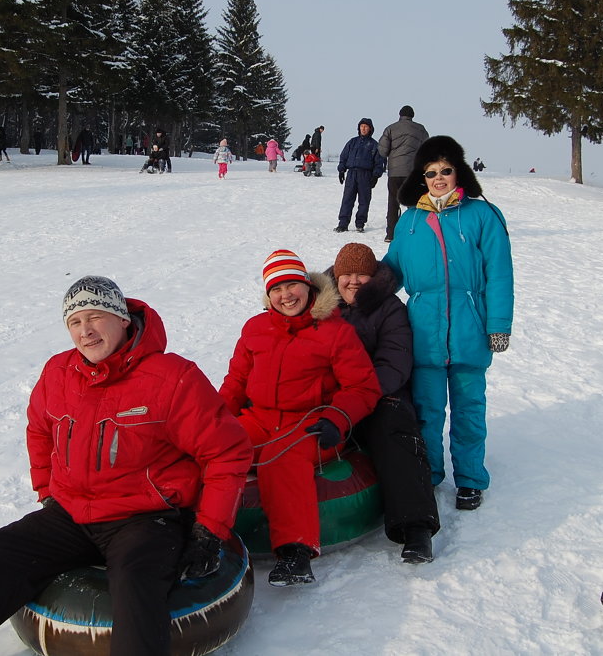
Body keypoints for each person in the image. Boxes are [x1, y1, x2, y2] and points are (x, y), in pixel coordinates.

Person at [0, 277, 252, 656]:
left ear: (122, 319)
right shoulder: (59, 372)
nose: (85, 331)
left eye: (95, 317)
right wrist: (48, 492)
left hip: (145, 518)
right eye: (74, 322)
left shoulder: (172, 378)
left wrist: (209, 531)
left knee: (137, 585)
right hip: (71, 514)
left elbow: (227, 451)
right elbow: (39, 431)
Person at [218, 250, 381, 586]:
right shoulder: (255, 328)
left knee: (283, 461)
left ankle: (295, 553)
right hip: (260, 418)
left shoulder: (335, 331)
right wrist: (215, 422)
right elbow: (235, 382)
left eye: (292, 285)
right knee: (217, 449)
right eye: (277, 289)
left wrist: (337, 418)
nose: (285, 295)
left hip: (309, 423)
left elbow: (363, 386)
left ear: (308, 287)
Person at [383, 135, 514, 512]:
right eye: (430, 173)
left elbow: (500, 274)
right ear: (421, 179)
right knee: (426, 411)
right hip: (423, 334)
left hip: (471, 331)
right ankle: (429, 472)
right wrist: (351, 283)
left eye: (445, 170)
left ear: (459, 172)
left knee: (469, 410)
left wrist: (499, 324)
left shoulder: (482, 215)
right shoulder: (410, 222)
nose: (438, 178)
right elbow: (391, 272)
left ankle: (471, 478)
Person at [325, 243, 440, 563]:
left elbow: (394, 363)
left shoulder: (390, 309)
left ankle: (416, 527)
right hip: (329, 398)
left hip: (379, 395)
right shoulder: (321, 307)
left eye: (362, 274)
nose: (354, 281)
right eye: (346, 274)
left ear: (373, 276)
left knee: (395, 433)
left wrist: (357, 397)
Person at [377, 105, 429, 244]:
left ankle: (390, 234)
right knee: (413, 203)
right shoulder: (421, 129)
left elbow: (382, 150)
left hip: (394, 173)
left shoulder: (391, 128)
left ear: (400, 114)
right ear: (412, 115)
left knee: (393, 202)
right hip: (412, 172)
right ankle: (415, 231)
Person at [335, 118, 386, 233]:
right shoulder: (352, 142)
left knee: (364, 200)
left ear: (370, 129)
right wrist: (341, 170)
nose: (363, 128)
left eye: (366, 127)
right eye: (361, 126)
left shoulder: (374, 145)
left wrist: (375, 176)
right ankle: (343, 223)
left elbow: (379, 162)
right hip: (352, 174)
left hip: (366, 175)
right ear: (359, 128)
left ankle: (360, 223)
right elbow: (343, 157)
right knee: (347, 199)